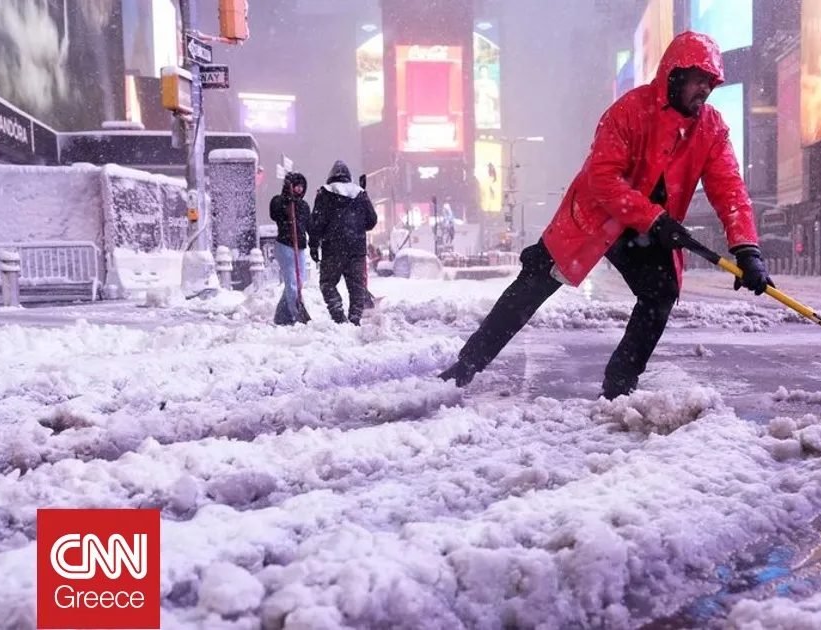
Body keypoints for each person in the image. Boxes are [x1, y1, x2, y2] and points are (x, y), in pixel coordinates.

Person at [437, 31, 772, 399]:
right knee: (532, 285)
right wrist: (654, 218)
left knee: (660, 294)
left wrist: (747, 250)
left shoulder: (711, 128)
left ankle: (619, 386)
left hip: (647, 232)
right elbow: (603, 178)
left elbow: (730, 191)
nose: (705, 89)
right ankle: (466, 365)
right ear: (674, 75)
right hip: (594, 218)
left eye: (710, 82)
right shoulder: (629, 111)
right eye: (698, 80)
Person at [309, 160, 378, 325]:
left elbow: (316, 223)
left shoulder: (325, 193)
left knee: (327, 283)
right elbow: (372, 220)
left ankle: (339, 317)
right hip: (356, 250)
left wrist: (313, 245)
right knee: (356, 287)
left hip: (333, 249)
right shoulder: (360, 193)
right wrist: (357, 227)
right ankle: (354, 319)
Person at [269, 171, 311, 325]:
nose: (299, 189)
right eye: (296, 186)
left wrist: (315, 242)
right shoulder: (279, 201)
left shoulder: (304, 206)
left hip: (299, 247)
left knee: (298, 283)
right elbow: (274, 213)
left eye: (301, 187)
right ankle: (297, 315)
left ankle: (281, 315)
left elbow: (310, 226)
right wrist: (287, 200)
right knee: (292, 282)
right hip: (285, 246)